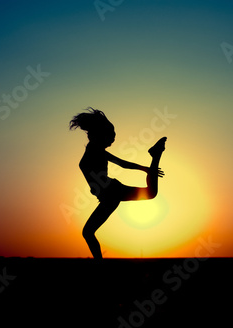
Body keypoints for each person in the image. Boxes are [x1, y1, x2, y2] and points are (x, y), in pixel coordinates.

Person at [69, 107, 167, 259]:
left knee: (88, 232)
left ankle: (156, 155)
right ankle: (155, 154)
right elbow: (119, 164)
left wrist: (144, 169)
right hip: (109, 192)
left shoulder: (95, 149)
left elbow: (120, 163)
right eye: (111, 136)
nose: (113, 139)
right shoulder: (95, 149)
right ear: (100, 135)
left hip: (110, 192)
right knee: (150, 193)